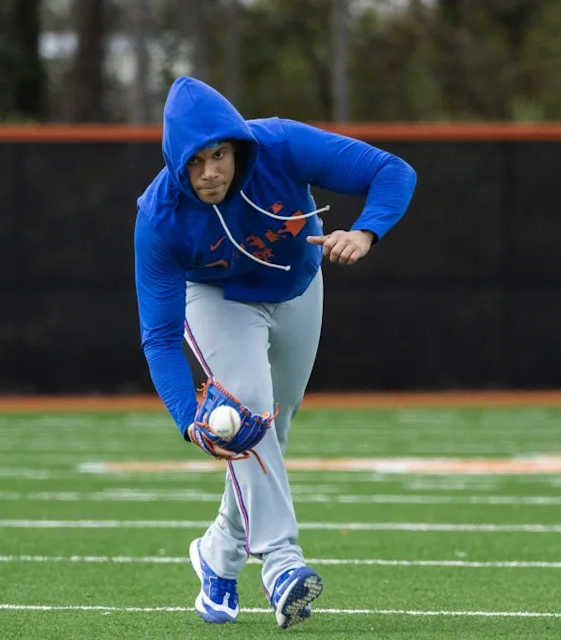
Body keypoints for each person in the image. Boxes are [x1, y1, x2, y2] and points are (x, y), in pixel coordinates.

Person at [133, 76, 416, 629]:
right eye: (195, 161)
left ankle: (217, 553)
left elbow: (393, 172)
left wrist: (366, 231)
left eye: (219, 154)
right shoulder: (158, 218)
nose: (211, 170)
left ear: (237, 146)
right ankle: (282, 564)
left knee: (273, 431)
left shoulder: (282, 145)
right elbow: (160, 337)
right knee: (251, 420)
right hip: (217, 299)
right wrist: (188, 419)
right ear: (176, 164)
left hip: (298, 288)